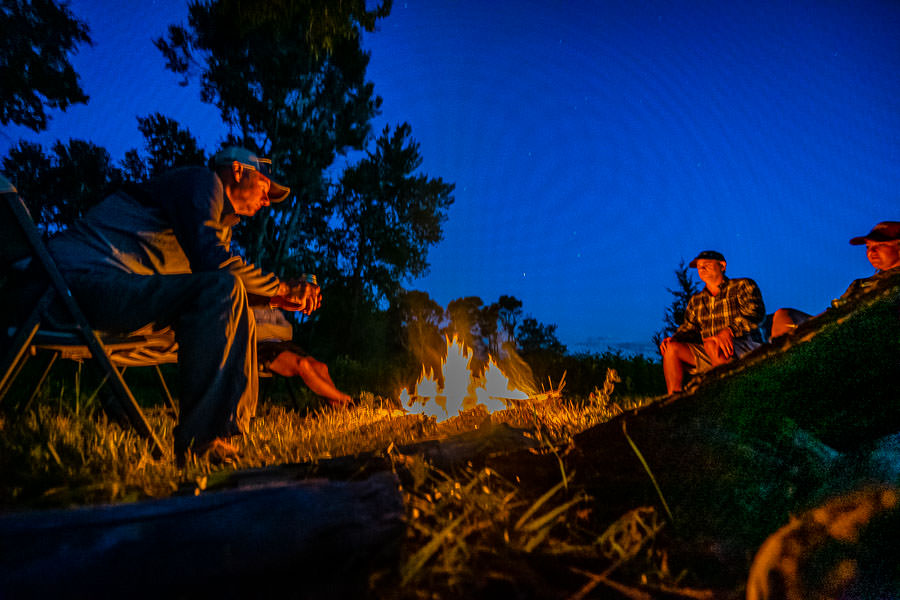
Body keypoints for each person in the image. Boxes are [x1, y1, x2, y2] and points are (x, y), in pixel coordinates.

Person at [47, 147, 321, 463]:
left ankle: (225, 433)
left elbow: (218, 278)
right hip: (76, 285)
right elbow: (216, 266)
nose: (267, 199)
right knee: (224, 288)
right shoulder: (202, 182)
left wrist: (278, 298)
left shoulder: (217, 221)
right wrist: (284, 287)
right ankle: (205, 442)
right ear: (236, 170)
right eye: (264, 184)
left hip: (112, 291)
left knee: (233, 297)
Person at [659, 250, 766, 394]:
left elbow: (754, 313)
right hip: (711, 352)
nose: (701, 269)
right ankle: (674, 401)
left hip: (745, 344)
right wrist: (674, 339)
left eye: (707, 265)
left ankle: (730, 392)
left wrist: (729, 331)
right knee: (672, 349)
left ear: (722, 266)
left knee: (712, 344)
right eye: (699, 266)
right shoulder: (696, 300)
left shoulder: (742, 285)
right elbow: (689, 328)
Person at [770, 221, 900, 339]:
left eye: (881, 245)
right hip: (842, 330)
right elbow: (837, 311)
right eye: (868, 247)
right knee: (784, 316)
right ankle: (784, 358)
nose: (872, 252)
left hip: (872, 334)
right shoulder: (860, 284)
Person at [253, 306, 352, 406]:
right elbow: (254, 333)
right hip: (262, 347)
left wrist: (266, 330)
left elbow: (288, 331)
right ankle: (343, 399)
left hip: (284, 344)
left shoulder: (274, 311)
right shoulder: (248, 309)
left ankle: (334, 402)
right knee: (302, 364)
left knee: (321, 367)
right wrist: (275, 332)